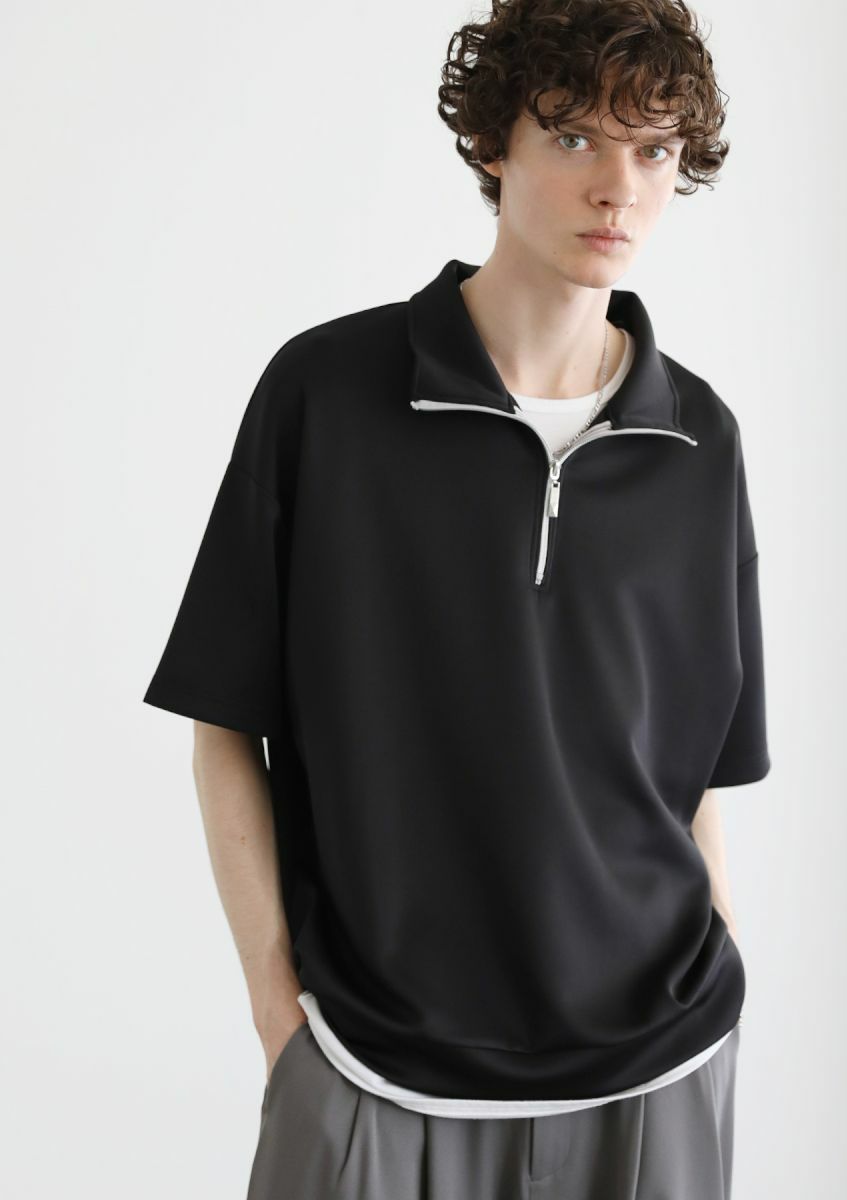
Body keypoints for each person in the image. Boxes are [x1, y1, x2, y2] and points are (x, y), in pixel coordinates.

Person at [142, 1, 771, 1196]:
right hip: (369, 1063)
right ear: (492, 143)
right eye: (574, 137)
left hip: (658, 1063)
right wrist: (279, 1015)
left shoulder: (699, 440)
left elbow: (690, 775)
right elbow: (225, 723)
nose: (619, 189)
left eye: (653, 149)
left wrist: (729, 968)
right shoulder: (326, 395)